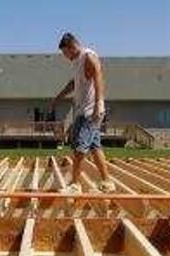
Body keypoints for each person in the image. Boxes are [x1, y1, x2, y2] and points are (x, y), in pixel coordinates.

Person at [51, 32, 115, 192]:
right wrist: (58, 97)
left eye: (65, 53)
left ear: (71, 46)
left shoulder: (88, 56)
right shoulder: (77, 62)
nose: (66, 57)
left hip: (89, 111)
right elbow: (74, 83)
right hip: (83, 110)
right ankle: (107, 182)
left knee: (79, 147)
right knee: (95, 146)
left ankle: (75, 184)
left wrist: (98, 104)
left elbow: (99, 76)